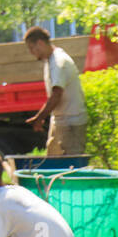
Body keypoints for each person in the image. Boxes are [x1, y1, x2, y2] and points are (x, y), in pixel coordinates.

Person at [24, 26, 88, 156]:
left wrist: (39, 118)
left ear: (40, 43)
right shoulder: (50, 60)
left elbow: (57, 94)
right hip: (60, 121)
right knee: (54, 161)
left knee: (71, 166)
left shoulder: (59, 62)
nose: (31, 53)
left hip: (71, 123)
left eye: (31, 48)